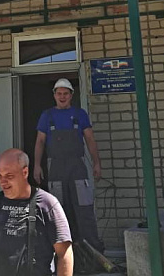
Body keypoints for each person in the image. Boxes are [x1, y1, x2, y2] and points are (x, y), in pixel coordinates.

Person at [0, 148, 73, 276]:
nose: (2, 182)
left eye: (9, 176)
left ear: (25, 172)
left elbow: (64, 253)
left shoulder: (47, 204)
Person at [33, 78, 104, 253]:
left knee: (84, 210)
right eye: (59, 93)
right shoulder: (47, 116)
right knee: (58, 211)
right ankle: (62, 254)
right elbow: (40, 141)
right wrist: (36, 165)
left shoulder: (80, 114)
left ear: (71, 95)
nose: (62, 96)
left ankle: (92, 253)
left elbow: (90, 139)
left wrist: (96, 163)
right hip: (56, 168)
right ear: (54, 95)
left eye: (66, 93)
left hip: (77, 168)